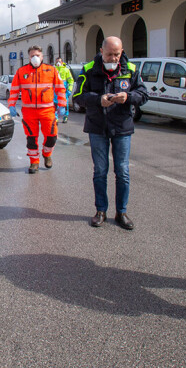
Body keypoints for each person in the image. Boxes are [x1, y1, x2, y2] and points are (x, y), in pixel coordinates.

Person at [74, 36, 147, 230]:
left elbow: (143, 94)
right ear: (101, 51)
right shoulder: (89, 69)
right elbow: (78, 96)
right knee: (100, 170)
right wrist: (98, 100)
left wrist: (128, 96)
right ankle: (100, 211)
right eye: (109, 54)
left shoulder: (130, 69)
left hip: (122, 127)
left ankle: (121, 212)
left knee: (122, 171)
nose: (113, 58)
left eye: (117, 54)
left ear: (121, 52)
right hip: (97, 127)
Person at [8, 45, 66, 174]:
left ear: (42, 56)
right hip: (29, 112)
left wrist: (62, 105)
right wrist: (11, 105)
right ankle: (34, 162)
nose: (35, 58)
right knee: (31, 138)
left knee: (52, 136)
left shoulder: (51, 70)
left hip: (47, 110)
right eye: (32, 56)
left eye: (37, 55)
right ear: (29, 57)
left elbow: (60, 88)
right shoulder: (21, 71)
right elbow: (14, 90)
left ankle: (47, 153)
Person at [55, 57, 74, 123]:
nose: (58, 63)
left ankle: (65, 117)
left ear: (62, 62)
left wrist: (69, 90)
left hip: (64, 91)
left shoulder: (66, 70)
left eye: (59, 61)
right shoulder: (53, 70)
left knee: (65, 105)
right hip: (55, 92)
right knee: (55, 105)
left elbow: (71, 80)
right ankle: (56, 117)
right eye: (57, 61)